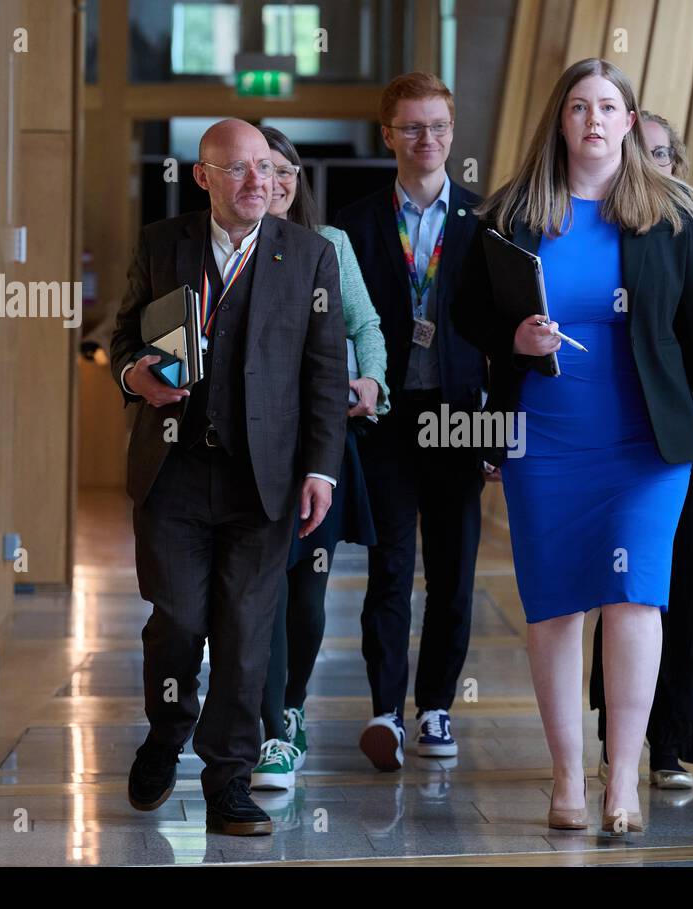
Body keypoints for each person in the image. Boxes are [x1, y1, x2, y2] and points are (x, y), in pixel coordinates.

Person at [451, 59, 693, 835]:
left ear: (628, 120)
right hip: (544, 437)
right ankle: (566, 779)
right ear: (561, 120)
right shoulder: (512, 213)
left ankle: (622, 781)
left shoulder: (670, 216)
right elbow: (467, 313)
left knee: (635, 596)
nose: (594, 120)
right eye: (579, 106)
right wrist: (512, 335)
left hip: (648, 444)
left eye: (608, 108)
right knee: (554, 608)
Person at [110, 119, 346, 835]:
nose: (257, 182)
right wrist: (135, 376)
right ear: (202, 176)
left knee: (246, 635)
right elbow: (123, 336)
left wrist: (321, 471)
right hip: (174, 472)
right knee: (178, 621)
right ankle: (165, 731)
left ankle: (228, 781)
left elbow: (326, 374)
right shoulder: (162, 243)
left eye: (267, 169)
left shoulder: (309, 256)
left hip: (264, 482)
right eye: (237, 169)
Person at [591, 109, 693, 790]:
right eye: (642, 154)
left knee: (687, 589)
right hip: (630, 440)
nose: (654, 167)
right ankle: (622, 736)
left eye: (663, 155)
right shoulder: (613, 243)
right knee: (631, 593)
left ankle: (673, 742)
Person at [334, 72, 486, 771]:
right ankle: (386, 712)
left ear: (453, 135)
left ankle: (438, 709)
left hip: (460, 419)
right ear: (387, 134)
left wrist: (499, 433)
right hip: (389, 420)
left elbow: (503, 335)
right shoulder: (357, 223)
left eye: (439, 127)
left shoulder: (485, 223)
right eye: (413, 127)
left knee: (453, 573)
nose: (428, 139)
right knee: (391, 569)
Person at [250, 125, 391, 789]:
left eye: (284, 171)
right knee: (258, 593)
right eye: (259, 169)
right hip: (248, 453)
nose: (273, 183)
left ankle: (289, 712)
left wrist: (372, 381)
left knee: (305, 595)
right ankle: (268, 727)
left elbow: (365, 327)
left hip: (321, 447)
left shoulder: (328, 245)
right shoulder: (229, 249)